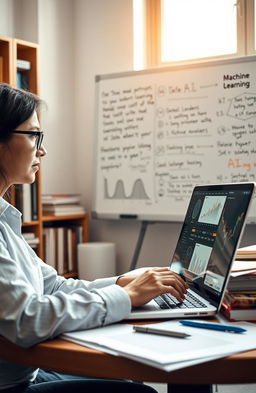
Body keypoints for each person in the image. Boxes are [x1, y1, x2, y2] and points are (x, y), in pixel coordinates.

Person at [0, 83, 188, 393]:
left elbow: (53, 286)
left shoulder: (6, 219)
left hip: (27, 375)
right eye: (34, 135)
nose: (42, 150)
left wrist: (123, 283)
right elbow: (27, 318)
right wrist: (127, 297)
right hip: (12, 387)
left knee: (127, 381)